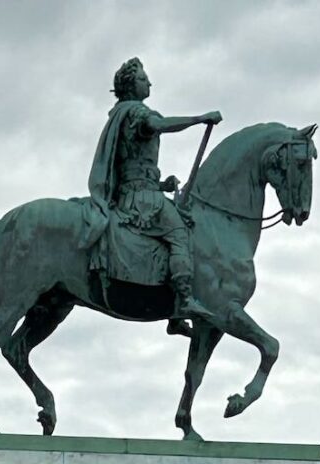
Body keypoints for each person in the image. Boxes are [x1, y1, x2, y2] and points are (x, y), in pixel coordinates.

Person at [88, 57, 221, 329]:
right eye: (142, 79)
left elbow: (130, 166)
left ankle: (170, 300)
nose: (148, 82)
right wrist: (199, 119)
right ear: (130, 86)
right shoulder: (136, 112)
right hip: (140, 199)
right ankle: (184, 300)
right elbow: (158, 126)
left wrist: (161, 184)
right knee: (180, 232)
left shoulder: (121, 115)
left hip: (142, 190)